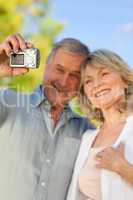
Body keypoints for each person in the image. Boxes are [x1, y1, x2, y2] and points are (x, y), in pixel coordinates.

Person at [0, 33, 94, 200]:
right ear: (46, 66)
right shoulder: (8, 102)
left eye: (75, 75)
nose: (64, 81)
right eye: (60, 69)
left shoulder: (87, 131)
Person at [67, 49, 133, 200]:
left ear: (125, 80)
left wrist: (121, 167)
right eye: (88, 81)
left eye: (104, 74)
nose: (96, 84)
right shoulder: (87, 138)